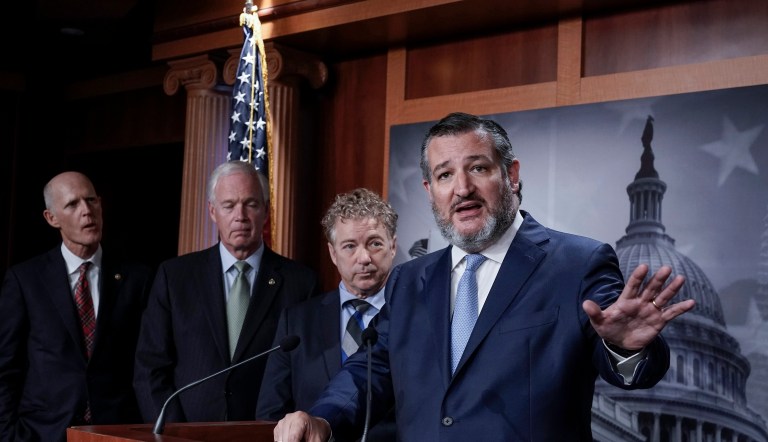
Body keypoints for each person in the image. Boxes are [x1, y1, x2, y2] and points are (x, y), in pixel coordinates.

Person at [273, 112, 696, 441]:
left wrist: (623, 348)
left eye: (477, 168)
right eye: (444, 175)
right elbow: (370, 371)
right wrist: (323, 418)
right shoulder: (408, 282)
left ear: (511, 175)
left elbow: (632, 367)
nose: (462, 188)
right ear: (430, 191)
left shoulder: (578, 263)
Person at [133, 160, 319, 424]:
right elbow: (149, 368)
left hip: (267, 432)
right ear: (212, 211)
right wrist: (172, 432)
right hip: (187, 434)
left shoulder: (301, 283)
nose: (240, 216)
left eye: (251, 204)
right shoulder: (174, 277)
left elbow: (308, 373)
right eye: (229, 205)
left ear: (266, 210)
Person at [0, 171, 153, 442]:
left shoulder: (137, 278)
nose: (86, 211)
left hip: (115, 432)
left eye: (91, 200)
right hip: (42, 432)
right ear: (52, 218)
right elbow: (6, 366)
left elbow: (148, 362)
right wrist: (8, 433)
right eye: (72, 204)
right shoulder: (25, 280)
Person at [256, 188, 398, 441]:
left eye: (375, 244)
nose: (364, 258)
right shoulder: (296, 323)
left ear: (393, 246)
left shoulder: (414, 317)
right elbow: (271, 414)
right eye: (350, 246)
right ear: (333, 253)